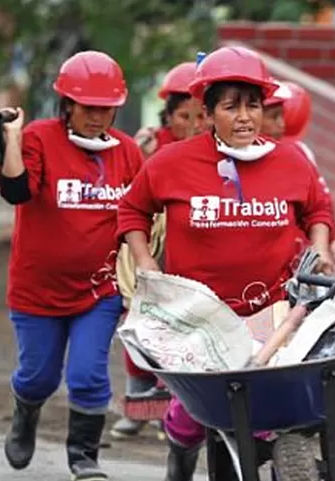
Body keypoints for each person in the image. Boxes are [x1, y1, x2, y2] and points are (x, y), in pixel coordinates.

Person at [116, 45, 335, 481]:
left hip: (272, 309)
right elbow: (132, 210)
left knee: (261, 410)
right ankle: (179, 455)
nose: (244, 116)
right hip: (196, 313)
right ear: (208, 112)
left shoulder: (291, 161)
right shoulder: (172, 163)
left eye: (252, 104)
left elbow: (318, 210)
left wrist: (318, 245)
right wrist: (146, 262)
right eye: (231, 105)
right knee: (197, 413)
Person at [0, 50, 143, 481]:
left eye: (107, 109)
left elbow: (142, 210)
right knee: (38, 376)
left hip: (98, 290)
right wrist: (11, 141)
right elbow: (17, 192)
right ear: (67, 105)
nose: (98, 118)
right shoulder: (39, 139)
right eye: (89, 108)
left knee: (87, 373)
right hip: (36, 288)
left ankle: (84, 455)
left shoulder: (129, 153)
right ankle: (25, 414)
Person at [110, 61, 207, 440]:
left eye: (202, 115)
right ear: (169, 116)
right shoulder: (152, 146)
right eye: (185, 116)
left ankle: (174, 407)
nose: (195, 124)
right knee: (140, 320)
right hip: (151, 247)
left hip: (192, 248)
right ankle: (137, 405)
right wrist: (138, 150)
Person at [260, 78, 335, 268]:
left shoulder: (298, 154)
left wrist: (332, 238)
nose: (282, 124)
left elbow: (321, 202)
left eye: (282, 116)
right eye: (274, 117)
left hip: (297, 258)